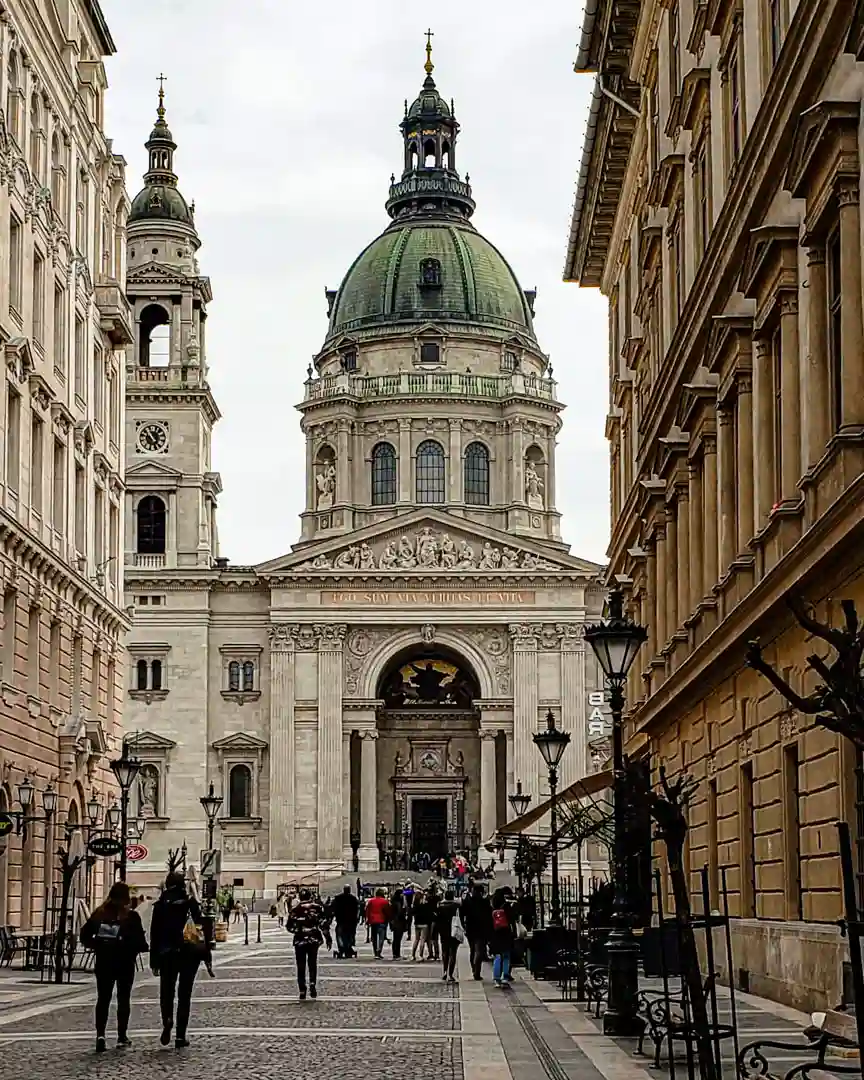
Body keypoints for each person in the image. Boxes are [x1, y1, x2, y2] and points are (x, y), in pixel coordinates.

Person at [80, 881, 148, 1053]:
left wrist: (97, 944)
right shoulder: (131, 917)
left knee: (103, 999)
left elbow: (84, 935)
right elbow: (141, 943)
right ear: (125, 898)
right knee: (123, 999)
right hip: (125, 963)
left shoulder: (99, 914)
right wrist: (131, 945)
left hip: (104, 962)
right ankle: (121, 1036)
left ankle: (100, 1035)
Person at [150, 871, 210, 1048]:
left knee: (166, 992)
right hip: (188, 954)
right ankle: (180, 1036)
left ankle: (167, 1019)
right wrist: (206, 955)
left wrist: (154, 960)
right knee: (185, 995)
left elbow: (155, 935)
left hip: (167, 954)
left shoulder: (160, 905)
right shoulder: (190, 903)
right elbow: (201, 930)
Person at [286, 888, 329, 999]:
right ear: (310, 896)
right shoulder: (317, 908)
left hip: (299, 940)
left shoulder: (295, 909)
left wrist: (299, 931)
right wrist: (328, 937)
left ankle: (302, 989)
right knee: (312, 963)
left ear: (300, 897)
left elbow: (289, 927)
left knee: (301, 965)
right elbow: (323, 924)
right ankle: (312, 984)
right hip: (313, 939)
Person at [461, 881, 493, 981]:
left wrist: (463, 925)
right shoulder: (485, 902)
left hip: (470, 929)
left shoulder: (467, 901)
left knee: (473, 950)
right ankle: (476, 971)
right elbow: (489, 917)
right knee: (478, 951)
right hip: (481, 929)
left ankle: (474, 969)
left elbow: (462, 914)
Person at [490, 887, 517, 988]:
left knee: (497, 956)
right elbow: (512, 919)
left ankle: (496, 978)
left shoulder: (492, 908)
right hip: (506, 933)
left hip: (496, 934)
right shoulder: (507, 907)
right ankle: (505, 977)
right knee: (506, 956)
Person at [435, 887, 463, 982]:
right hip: (453, 930)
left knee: (445, 952)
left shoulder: (440, 906)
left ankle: (445, 971)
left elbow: (437, 920)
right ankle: (450, 973)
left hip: (443, 931)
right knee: (453, 953)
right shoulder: (457, 906)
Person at [331, 885, 360, 958]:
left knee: (339, 935)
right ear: (349, 890)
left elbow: (333, 908)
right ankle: (348, 948)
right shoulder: (353, 899)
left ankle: (341, 948)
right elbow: (357, 910)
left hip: (341, 920)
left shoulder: (338, 898)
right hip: (351, 921)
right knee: (349, 935)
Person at [364, 887, 391, 958]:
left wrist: (367, 919)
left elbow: (367, 911)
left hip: (373, 921)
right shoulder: (385, 901)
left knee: (374, 937)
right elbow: (387, 912)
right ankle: (379, 951)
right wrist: (389, 919)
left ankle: (375, 952)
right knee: (381, 938)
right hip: (382, 921)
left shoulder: (371, 901)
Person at [411, 890, 431, 960]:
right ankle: (420, 955)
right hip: (424, 923)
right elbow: (428, 913)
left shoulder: (415, 904)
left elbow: (412, 912)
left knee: (416, 939)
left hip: (417, 923)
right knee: (422, 940)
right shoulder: (425, 904)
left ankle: (412, 955)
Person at [389, 889, 408, 960]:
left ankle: (396, 954)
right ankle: (396, 954)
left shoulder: (393, 902)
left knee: (396, 939)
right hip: (399, 922)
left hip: (395, 922)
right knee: (397, 939)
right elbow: (401, 913)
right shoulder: (398, 903)